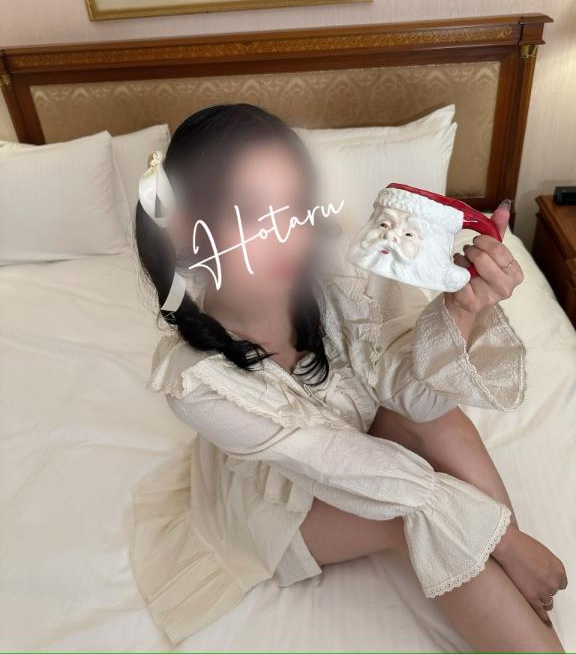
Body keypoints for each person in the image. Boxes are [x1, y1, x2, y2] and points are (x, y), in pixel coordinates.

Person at [132, 104, 566, 652]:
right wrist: (504, 539)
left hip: (346, 436)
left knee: (443, 423)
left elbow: (416, 399)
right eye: (252, 213)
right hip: (281, 505)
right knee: (417, 519)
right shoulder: (196, 384)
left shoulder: (338, 274)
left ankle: (522, 595)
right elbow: (351, 467)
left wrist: (461, 308)